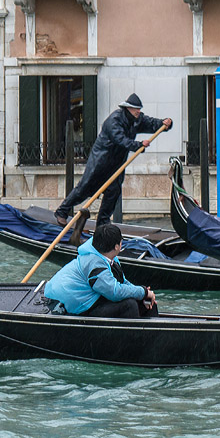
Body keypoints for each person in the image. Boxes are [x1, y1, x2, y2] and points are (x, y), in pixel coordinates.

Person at [54, 93, 171, 227]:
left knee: (113, 192)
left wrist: (164, 123)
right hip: (101, 160)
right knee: (84, 188)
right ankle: (61, 212)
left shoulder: (137, 119)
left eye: (139, 108)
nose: (138, 111)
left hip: (117, 164)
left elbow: (151, 123)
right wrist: (138, 145)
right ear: (128, 108)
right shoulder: (114, 120)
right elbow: (119, 139)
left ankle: (102, 223)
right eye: (135, 108)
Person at [44, 223, 157, 318]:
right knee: (130, 305)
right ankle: (135, 341)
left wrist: (142, 293)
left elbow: (121, 282)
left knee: (141, 301)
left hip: (86, 297)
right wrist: (143, 292)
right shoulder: (95, 264)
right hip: (74, 305)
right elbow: (114, 292)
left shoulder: (105, 255)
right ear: (117, 246)